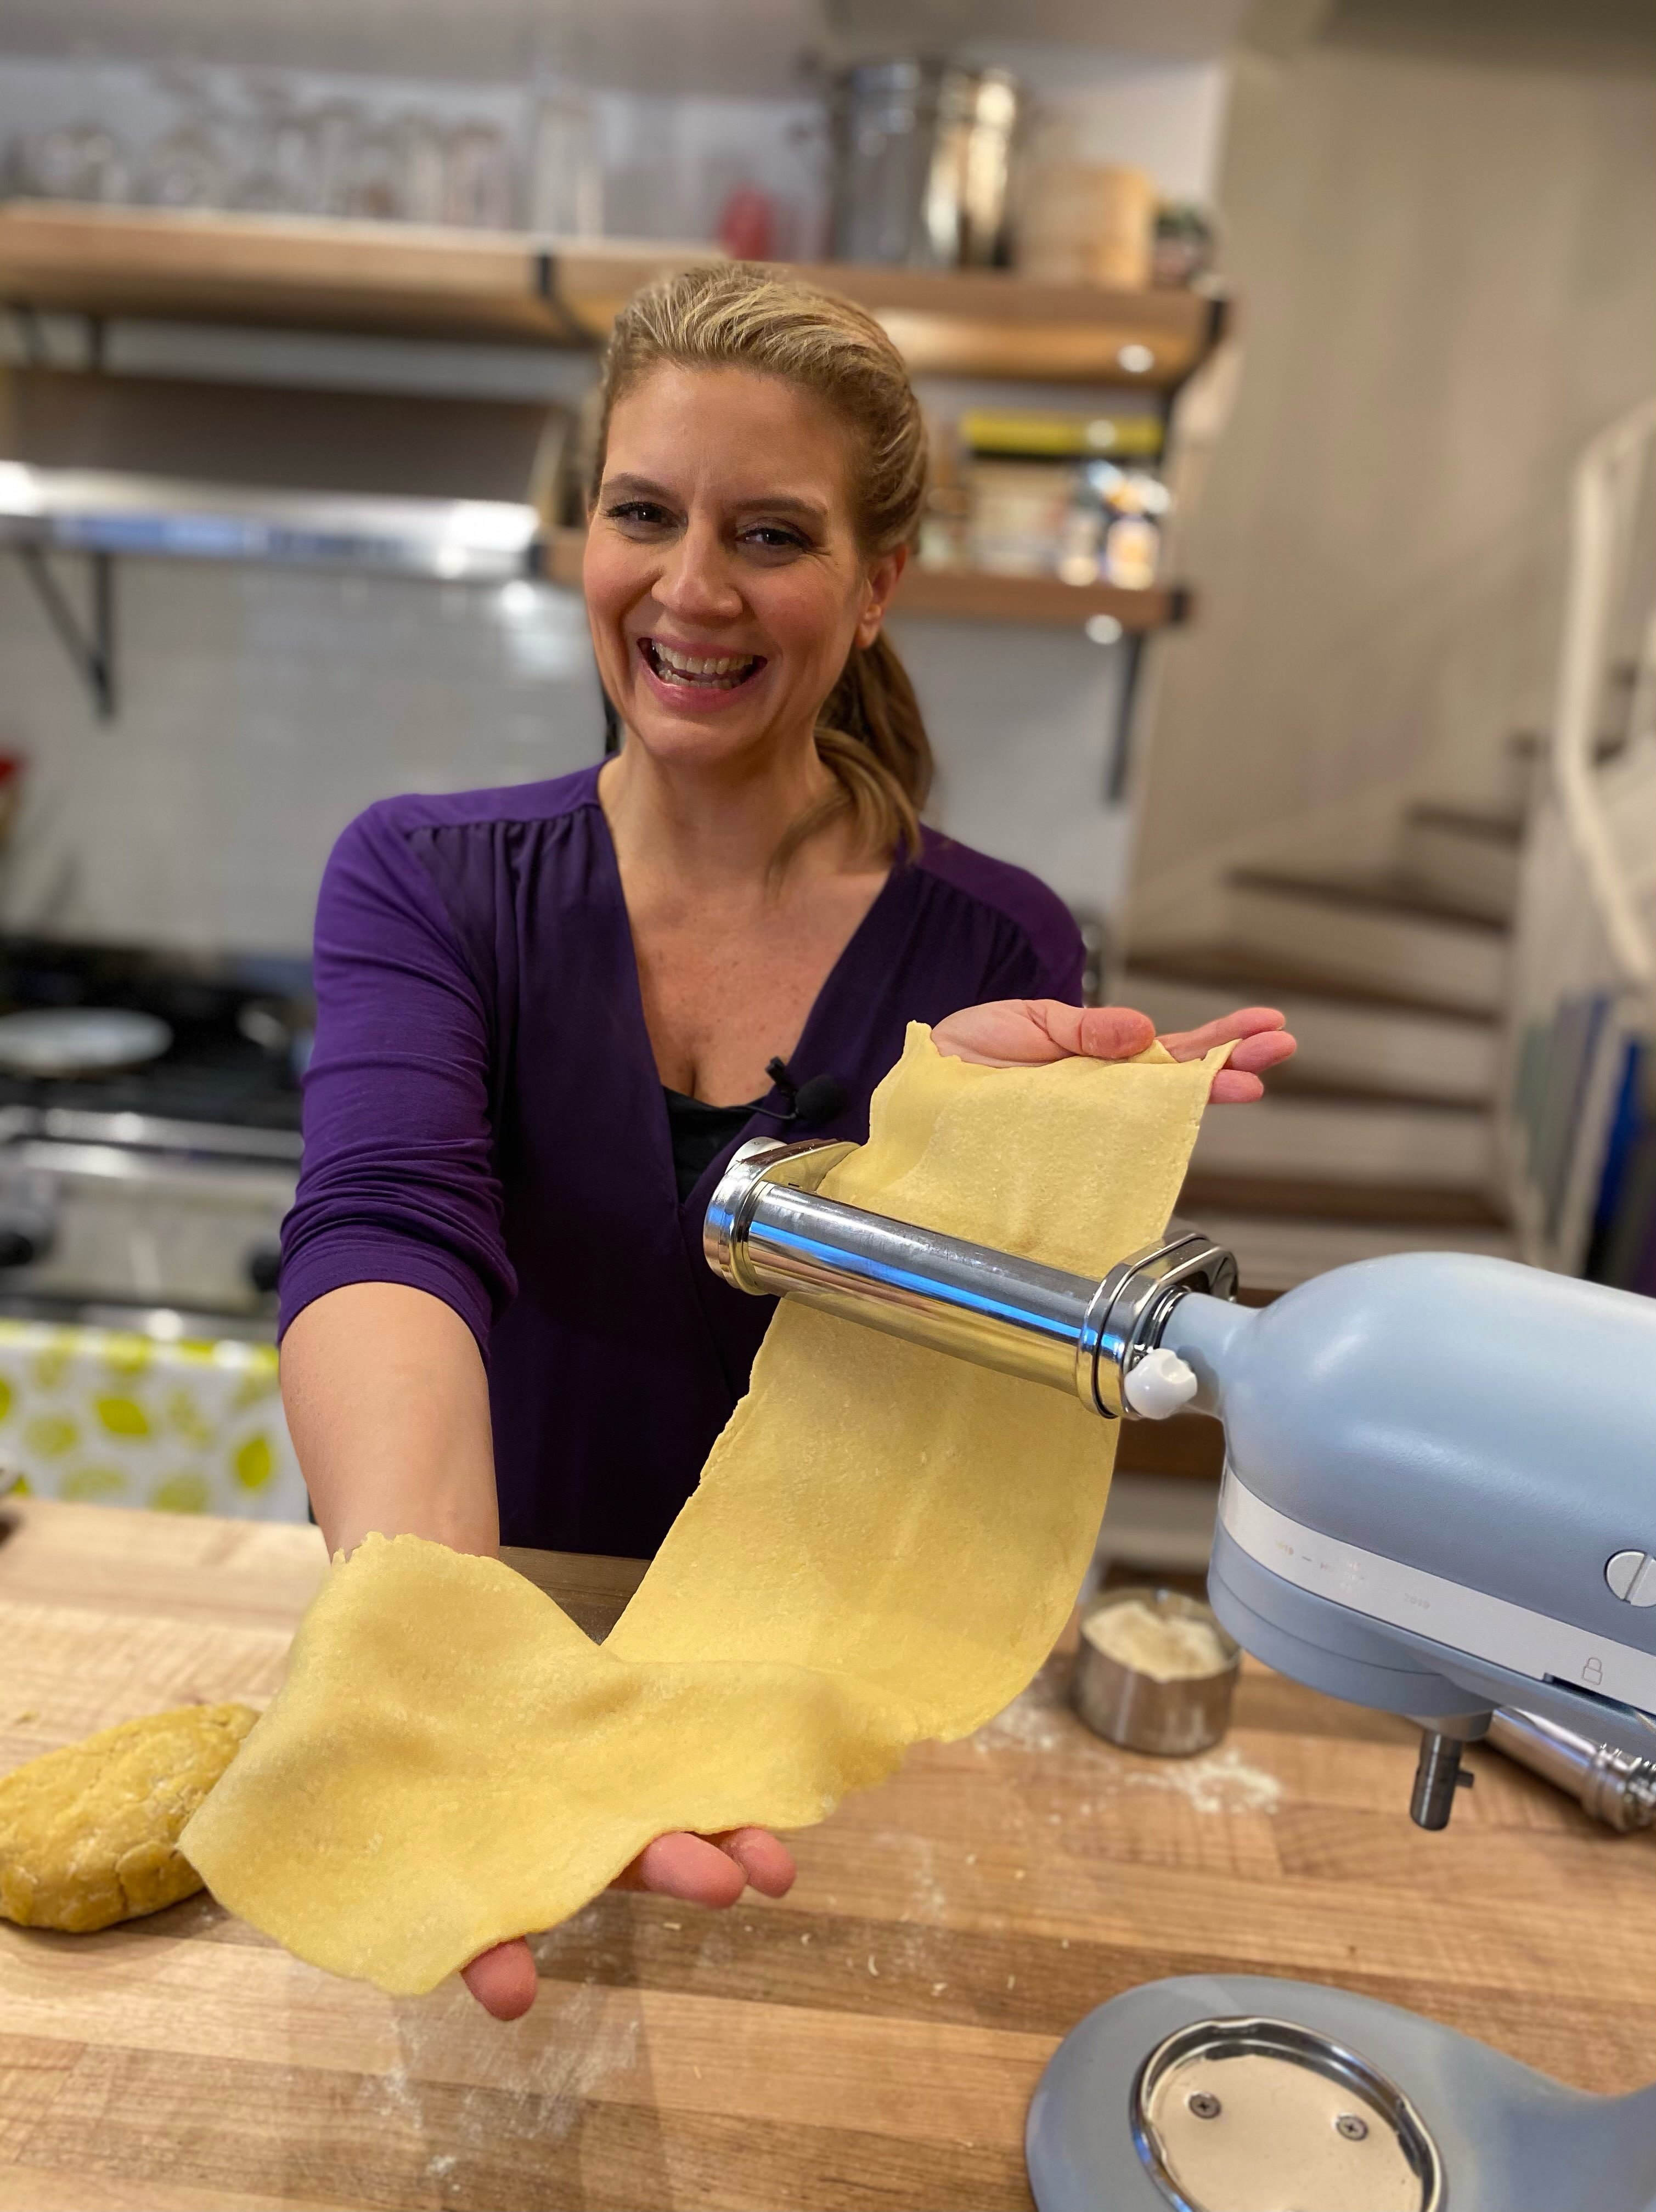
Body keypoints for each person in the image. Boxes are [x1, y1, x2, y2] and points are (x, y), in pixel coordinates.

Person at [278, 264, 1295, 2018]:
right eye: (643, 513)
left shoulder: (996, 951)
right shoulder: (426, 879)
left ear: (876, 583)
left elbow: (953, 1424)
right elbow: (388, 1226)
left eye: (769, 534)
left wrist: (957, 1150)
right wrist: (426, 1635)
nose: (690, 589)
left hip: (801, 1695)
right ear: (586, 531)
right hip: (482, 1602)